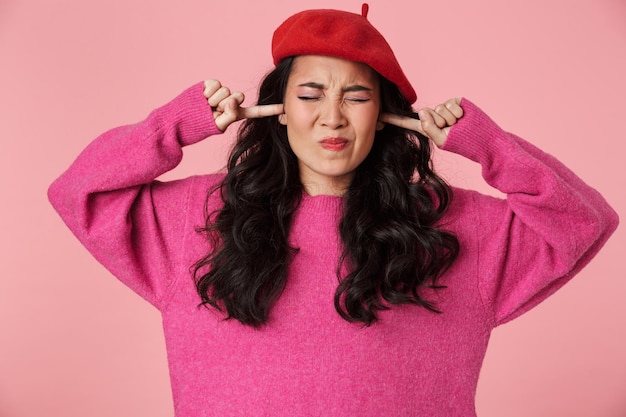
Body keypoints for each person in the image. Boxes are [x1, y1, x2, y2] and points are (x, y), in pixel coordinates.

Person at [48, 4, 618, 416]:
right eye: (311, 93)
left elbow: (584, 220)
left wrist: (489, 146)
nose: (333, 118)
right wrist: (173, 124)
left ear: (387, 115)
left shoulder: (456, 231)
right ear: (276, 108)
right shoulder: (197, 217)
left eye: (357, 95)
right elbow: (80, 193)